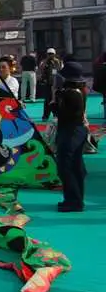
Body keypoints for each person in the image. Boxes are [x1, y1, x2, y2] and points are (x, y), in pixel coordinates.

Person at [51, 62, 88, 212]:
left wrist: (56, 102)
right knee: (74, 166)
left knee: (67, 166)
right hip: (75, 131)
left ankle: (74, 201)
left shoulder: (72, 94)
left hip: (71, 132)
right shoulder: (78, 91)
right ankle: (73, 198)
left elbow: (65, 114)